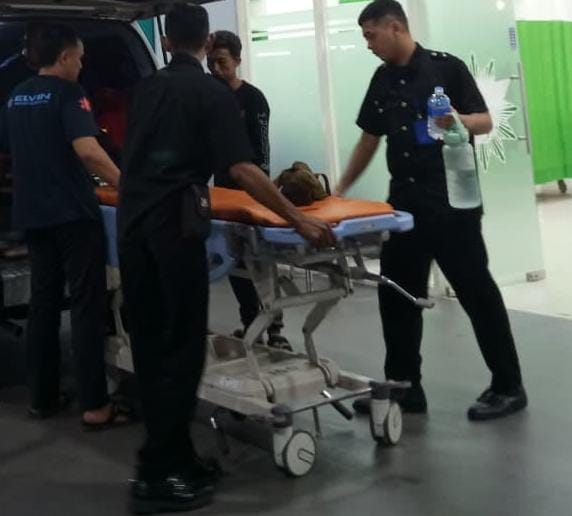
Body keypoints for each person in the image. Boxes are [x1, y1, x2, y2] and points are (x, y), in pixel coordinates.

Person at [118, 4, 334, 513]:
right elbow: (243, 169)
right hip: (173, 231)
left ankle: (173, 456)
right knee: (181, 348)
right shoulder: (211, 94)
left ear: (166, 41)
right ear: (207, 41)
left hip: (132, 226)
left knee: (150, 345)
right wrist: (297, 219)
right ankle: (160, 476)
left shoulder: (144, 89)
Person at [335, 0, 527, 421]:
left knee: (476, 293)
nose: (368, 45)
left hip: (451, 203)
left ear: (395, 27)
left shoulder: (446, 69)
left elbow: (485, 121)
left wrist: (458, 121)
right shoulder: (382, 79)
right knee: (396, 295)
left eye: (371, 35)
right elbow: (369, 138)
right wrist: (340, 189)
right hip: (404, 206)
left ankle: (508, 385)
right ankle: (405, 388)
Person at [0, 24, 125, 427]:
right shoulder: (71, 94)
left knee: (43, 306)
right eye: (80, 57)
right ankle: (95, 405)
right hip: (72, 215)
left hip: (32, 215)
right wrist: (128, 187)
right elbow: (88, 151)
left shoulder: (16, 97)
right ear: (66, 56)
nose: (82, 65)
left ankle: (43, 397)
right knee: (87, 308)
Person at [207, 30, 290, 349]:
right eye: (212, 63)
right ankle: (250, 321)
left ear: (238, 60)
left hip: (253, 189)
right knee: (234, 261)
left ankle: (275, 328)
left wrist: (262, 191)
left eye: (223, 62)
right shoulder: (210, 97)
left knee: (262, 260)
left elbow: (262, 151)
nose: (217, 69)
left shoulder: (253, 99)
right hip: (223, 192)